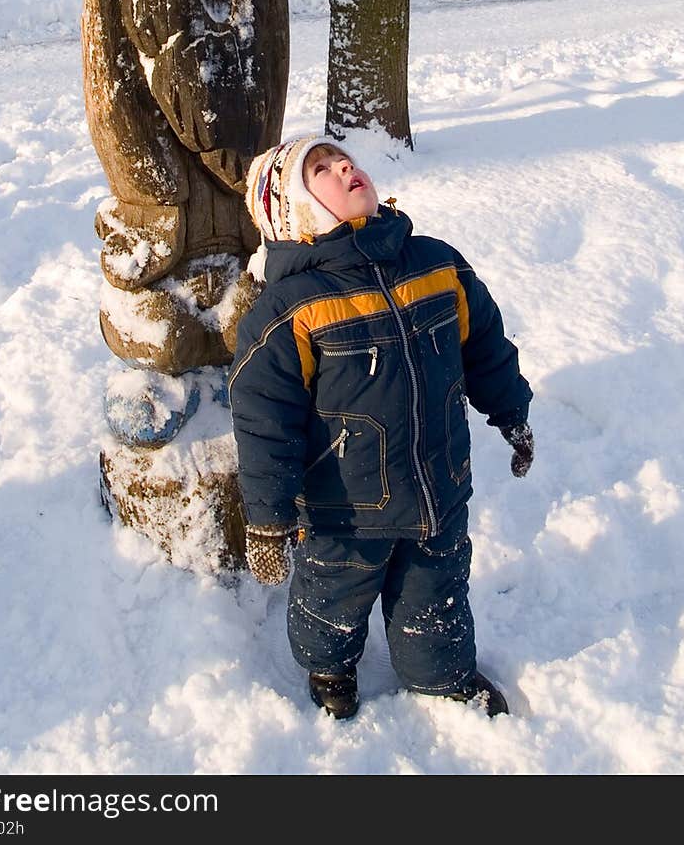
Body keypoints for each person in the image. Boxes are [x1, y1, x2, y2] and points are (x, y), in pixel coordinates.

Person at [228, 135, 534, 721]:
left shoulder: (436, 263)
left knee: (436, 595)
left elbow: (486, 347)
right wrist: (268, 519)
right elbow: (264, 418)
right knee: (331, 600)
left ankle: (442, 676)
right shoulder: (292, 306)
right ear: (296, 210)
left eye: (344, 158)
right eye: (320, 169)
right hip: (344, 508)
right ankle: (329, 668)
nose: (345, 165)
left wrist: (512, 411)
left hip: (439, 486)